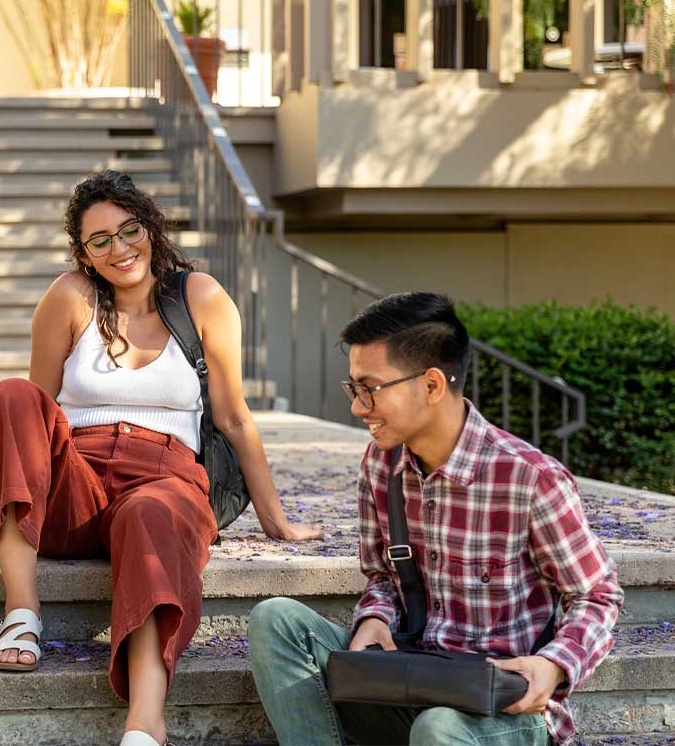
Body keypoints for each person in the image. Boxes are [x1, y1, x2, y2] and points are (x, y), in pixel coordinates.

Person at [0, 170, 322, 746]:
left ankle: (145, 725)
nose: (119, 248)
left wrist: (273, 516)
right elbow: (35, 410)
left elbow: (232, 416)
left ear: (150, 228)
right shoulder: (70, 297)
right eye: (99, 240)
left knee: (149, 514)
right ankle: (22, 616)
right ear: (83, 253)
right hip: (72, 487)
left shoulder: (199, 296)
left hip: (165, 478)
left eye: (128, 230)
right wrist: (2, 507)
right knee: (10, 394)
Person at [247, 292, 623, 746]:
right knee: (276, 620)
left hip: (499, 708)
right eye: (354, 388)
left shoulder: (529, 479)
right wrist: (375, 620)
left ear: (431, 385)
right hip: (407, 679)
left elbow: (596, 596)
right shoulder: (380, 465)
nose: (357, 407)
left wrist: (554, 664)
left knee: (438, 728)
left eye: (370, 388)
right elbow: (384, 577)